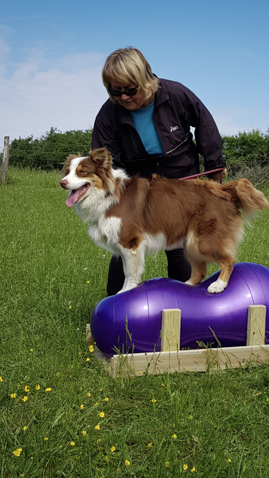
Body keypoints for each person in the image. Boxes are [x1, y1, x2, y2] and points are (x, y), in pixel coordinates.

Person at [91, 47, 227, 296]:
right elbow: (104, 163)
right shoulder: (108, 114)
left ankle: (187, 306)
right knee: (123, 239)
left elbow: (204, 122)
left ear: (146, 80)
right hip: (137, 180)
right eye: (115, 91)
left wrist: (214, 165)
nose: (123, 97)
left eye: (131, 89)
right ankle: (113, 307)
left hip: (179, 173)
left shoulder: (175, 94)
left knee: (179, 244)